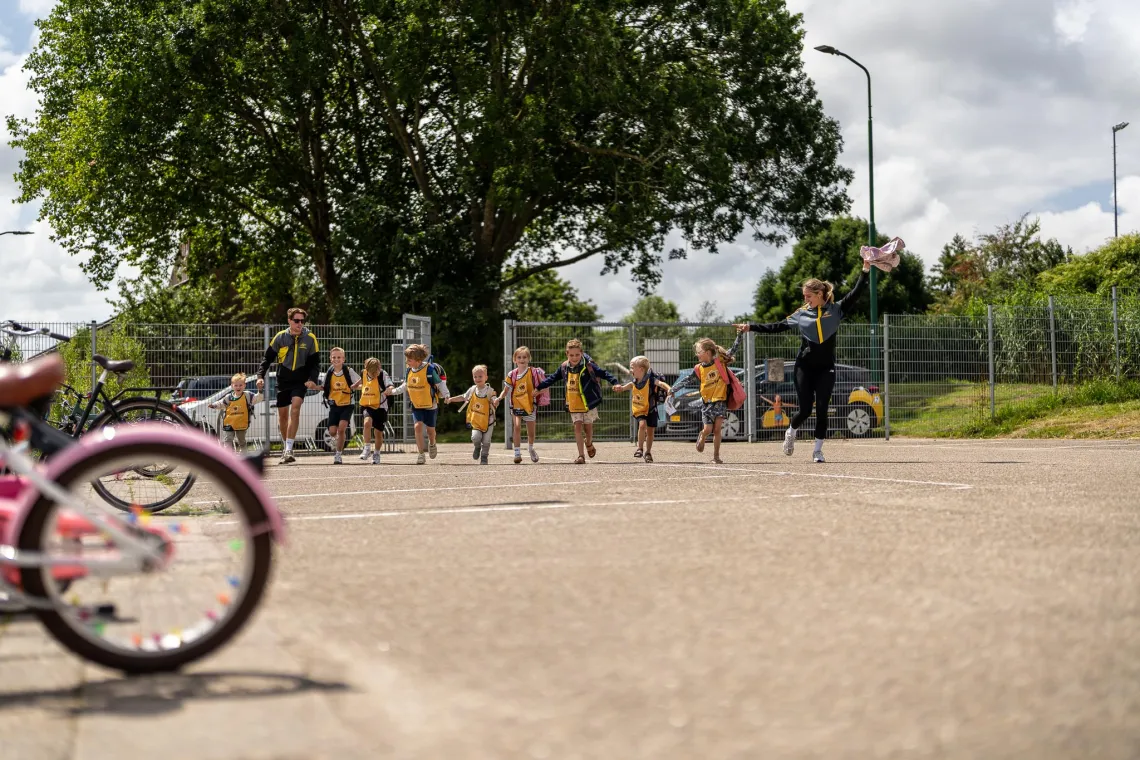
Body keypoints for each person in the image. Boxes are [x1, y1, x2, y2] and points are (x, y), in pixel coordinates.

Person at [734, 261, 870, 462]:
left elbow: (857, 292)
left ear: (819, 294)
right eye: (804, 296)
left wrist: (865, 270)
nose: (805, 299)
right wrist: (751, 327)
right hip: (804, 367)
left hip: (826, 368)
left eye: (808, 296)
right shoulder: (801, 314)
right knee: (806, 409)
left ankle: (817, 450)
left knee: (822, 408)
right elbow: (778, 326)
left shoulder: (837, 309)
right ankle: (791, 432)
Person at [535, 339, 621, 465]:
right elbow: (552, 379)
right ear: (567, 354)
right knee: (577, 427)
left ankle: (589, 443)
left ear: (581, 353)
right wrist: (539, 388)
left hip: (588, 403)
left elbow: (604, 373)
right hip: (573, 403)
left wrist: (615, 382)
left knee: (588, 429)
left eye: (577, 355)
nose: (574, 358)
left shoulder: (588, 365)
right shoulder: (564, 367)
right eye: (571, 355)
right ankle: (581, 456)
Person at [256, 307, 320, 464]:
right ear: (289, 321)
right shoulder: (280, 337)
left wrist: (312, 379)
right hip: (283, 380)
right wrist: (260, 376)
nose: (300, 324)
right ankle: (285, 448)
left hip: (300, 380)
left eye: (302, 321)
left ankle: (289, 449)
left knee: (296, 409)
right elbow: (267, 359)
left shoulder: (310, 338)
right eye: (296, 321)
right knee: (283, 416)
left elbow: (315, 363)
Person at [668, 338, 736, 464]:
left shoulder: (719, 362)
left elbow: (732, 351)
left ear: (707, 352)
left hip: (720, 402)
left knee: (717, 430)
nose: (697, 354)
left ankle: (716, 456)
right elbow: (687, 380)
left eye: (699, 351)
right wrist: (673, 389)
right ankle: (703, 435)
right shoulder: (698, 368)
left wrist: (741, 334)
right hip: (706, 403)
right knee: (708, 430)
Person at [385, 344, 449, 465]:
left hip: (430, 405)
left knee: (431, 431)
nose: (406, 362)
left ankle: (432, 443)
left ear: (419, 360)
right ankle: (421, 454)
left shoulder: (429, 370)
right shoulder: (409, 371)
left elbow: (440, 384)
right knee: (417, 426)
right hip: (416, 405)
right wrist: (393, 392)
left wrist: (446, 394)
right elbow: (405, 385)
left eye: (409, 360)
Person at [613, 355, 671, 463]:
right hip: (639, 409)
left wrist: (669, 389)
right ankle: (640, 448)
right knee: (642, 424)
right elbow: (630, 385)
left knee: (650, 432)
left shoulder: (651, 380)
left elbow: (661, 384)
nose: (630, 370)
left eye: (632, 367)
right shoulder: (635, 380)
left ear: (641, 369)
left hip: (651, 408)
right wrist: (621, 388)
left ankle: (648, 452)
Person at [446, 364, 500, 465]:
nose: (477, 378)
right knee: (475, 437)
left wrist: (496, 401)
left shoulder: (490, 391)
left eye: (480, 376)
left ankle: (484, 457)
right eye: (475, 376)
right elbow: (463, 397)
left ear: (486, 377)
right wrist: (451, 399)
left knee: (487, 441)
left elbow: (494, 399)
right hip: (476, 420)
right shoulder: (472, 390)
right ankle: (477, 446)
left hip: (489, 421)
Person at [498, 346, 544, 464]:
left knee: (531, 432)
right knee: (517, 426)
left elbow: (542, 387)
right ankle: (517, 453)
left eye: (524, 357)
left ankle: (530, 448)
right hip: (516, 404)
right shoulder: (512, 374)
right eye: (519, 357)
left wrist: (537, 391)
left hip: (529, 405)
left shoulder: (533, 372)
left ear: (528, 359)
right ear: (515, 359)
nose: (522, 359)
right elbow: (506, 390)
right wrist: (499, 398)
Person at [322, 347, 362, 465]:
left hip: (347, 404)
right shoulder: (329, 372)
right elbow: (324, 387)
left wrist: (357, 386)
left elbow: (359, 382)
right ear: (330, 359)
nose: (336, 359)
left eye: (339, 357)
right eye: (334, 357)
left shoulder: (348, 371)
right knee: (332, 431)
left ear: (343, 359)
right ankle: (335, 440)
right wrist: (313, 386)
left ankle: (338, 455)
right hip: (334, 405)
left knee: (341, 428)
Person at [208, 373, 263, 453]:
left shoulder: (248, 396)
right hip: (229, 423)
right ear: (232, 386)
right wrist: (214, 405)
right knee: (228, 440)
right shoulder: (229, 397)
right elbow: (221, 403)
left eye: (240, 385)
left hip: (241, 423)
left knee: (242, 441)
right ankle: (227, 456)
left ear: (244, 385)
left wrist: (260, 390)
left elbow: (258, 398)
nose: (238, 387)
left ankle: (244, 455)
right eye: (236, 385)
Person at [358, 357, 394, 465]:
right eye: (372, 372)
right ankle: (367, 448)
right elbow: (362, 382)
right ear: (366, 368)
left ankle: (377, 453)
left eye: (376, 372)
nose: (374, 375)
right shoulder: (363, 373)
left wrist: (390, 388)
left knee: (378, 433)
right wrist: (355, 386)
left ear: (379, 368)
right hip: (367, 404)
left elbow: (390, 384)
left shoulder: (383, 374)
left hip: (381, 406)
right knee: (367, 423)